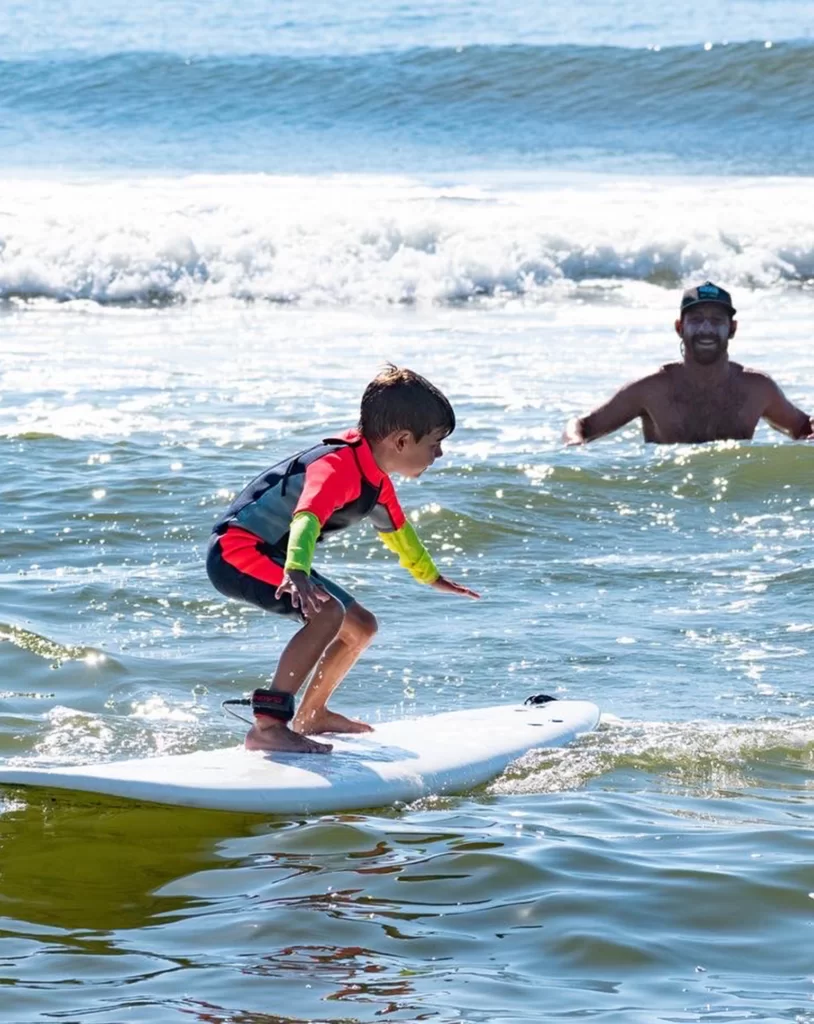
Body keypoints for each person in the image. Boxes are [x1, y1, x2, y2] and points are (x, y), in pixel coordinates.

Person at [206, 365, 480, 754]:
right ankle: (268, 725)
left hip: (279, 556)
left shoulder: (377, 482)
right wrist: (298, 572)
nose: (439, 453)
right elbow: (307, 517)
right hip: (238, 551)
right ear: (402, 441)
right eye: (435, 443)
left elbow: (400, 535)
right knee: (328, 614)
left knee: (362, 626)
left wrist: (432, 577)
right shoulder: (335, 468)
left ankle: (312, 714)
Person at [564, 281, 812, 445]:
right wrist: (574, 446)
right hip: (667, 506)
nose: (706, 329)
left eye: (717, 320)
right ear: (680, 328)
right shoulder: (651, 389)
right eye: (696, 320)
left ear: (732, 329)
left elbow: (803, 426)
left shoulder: (757, 389)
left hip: (733, 510)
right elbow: (581, 426)